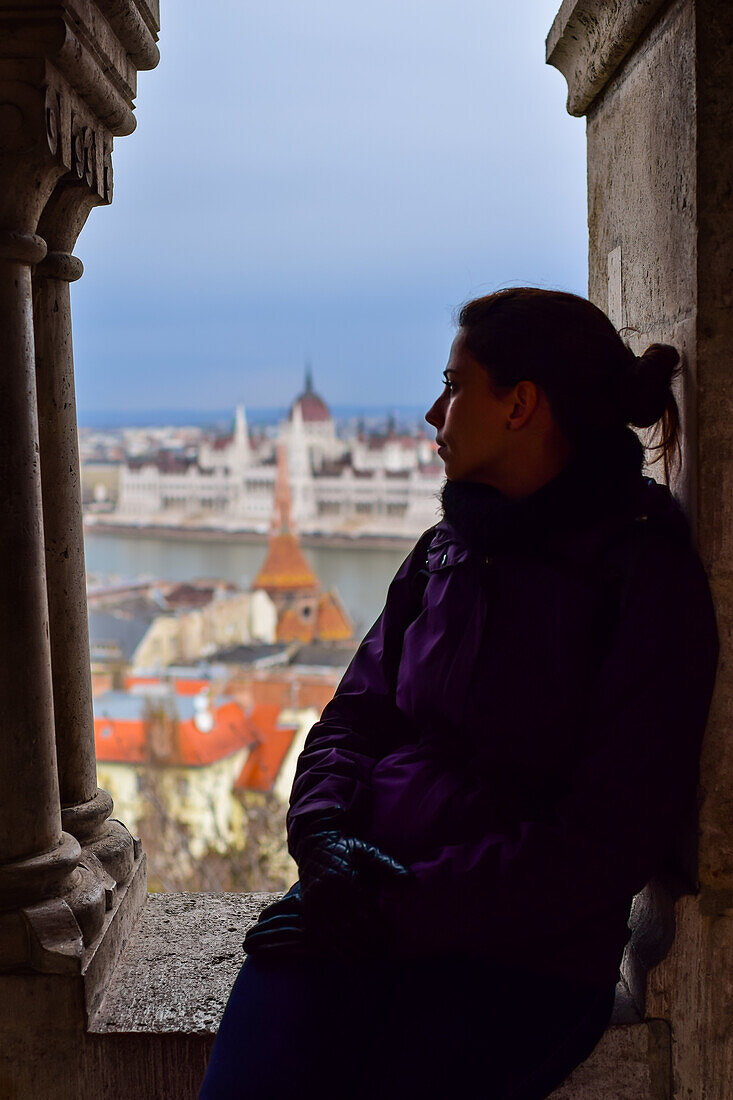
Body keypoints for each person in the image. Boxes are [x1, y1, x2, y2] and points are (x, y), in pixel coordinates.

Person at [200, 288, 718, 1100]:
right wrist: (324, 839)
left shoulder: (643, 580)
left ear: (520, 405)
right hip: (359, 901)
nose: (432, 411)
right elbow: (354, 716)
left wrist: (397, 910)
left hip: (516, 961)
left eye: (453, 385)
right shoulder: (444, 551)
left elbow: (605, 841)